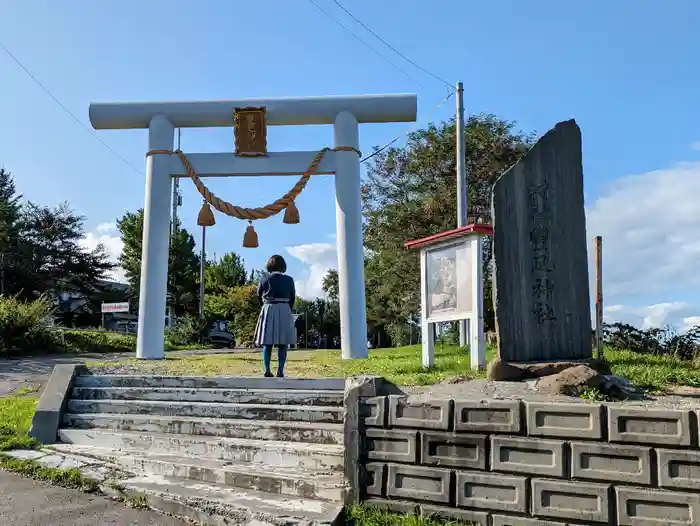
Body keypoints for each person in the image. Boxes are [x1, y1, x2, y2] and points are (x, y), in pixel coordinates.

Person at [254, 254, 296, 378]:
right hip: (284, 308)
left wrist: (264, 306)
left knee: (267, 343)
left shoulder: (264, 278)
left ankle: (267, 370)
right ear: (283, 266)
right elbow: (292, 298)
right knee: (283, 344)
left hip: (268, 307)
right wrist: (287, 309)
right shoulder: (289, 280)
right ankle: (280, 371)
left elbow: (258, 295)